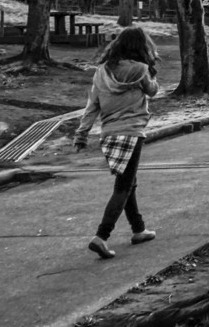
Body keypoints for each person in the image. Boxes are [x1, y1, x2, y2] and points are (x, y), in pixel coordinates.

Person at [74, 26, 160, 259]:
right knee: (123, 187)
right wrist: (153, 71)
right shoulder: (141, 70)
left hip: (109, 134)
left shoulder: (101, 72)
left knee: (127, 183)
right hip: (131, 132)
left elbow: (92, 105)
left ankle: (139, 229)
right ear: (141, 47)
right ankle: (101, 236)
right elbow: (152, 91)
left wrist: (81, 134)